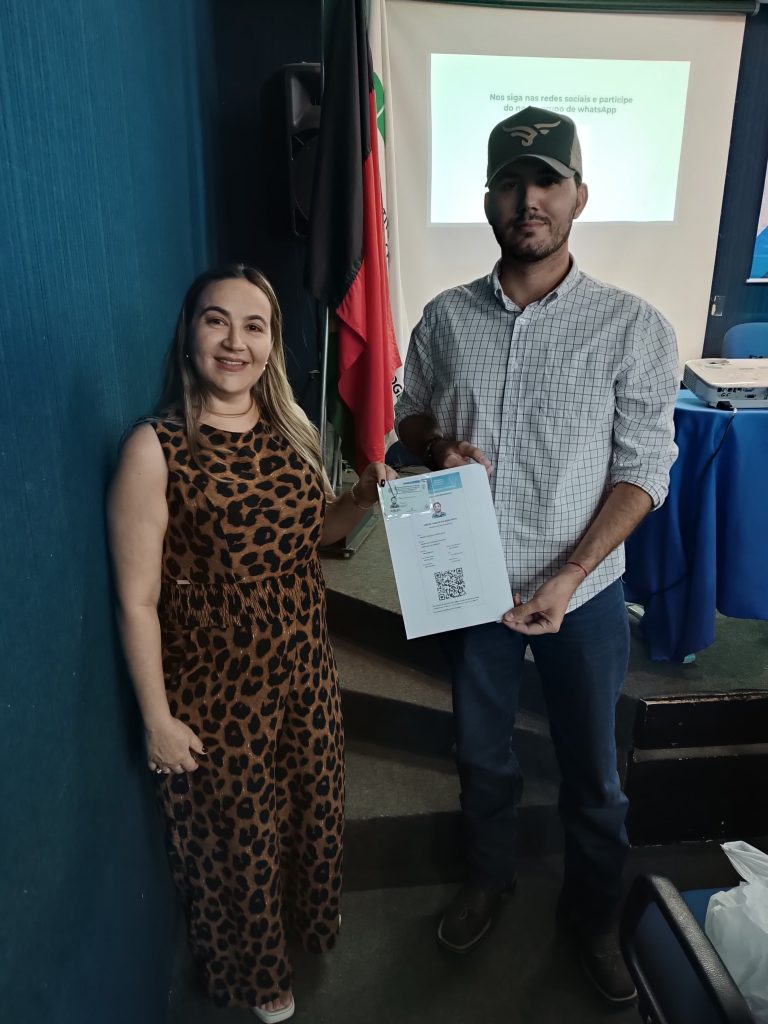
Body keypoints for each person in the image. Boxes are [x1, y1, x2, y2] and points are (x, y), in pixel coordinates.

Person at [395, 107, 679, 1005]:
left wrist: (569, 574)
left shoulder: (632, 327)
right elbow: (408, 414)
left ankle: (592, 917)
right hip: (470, 585)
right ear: (487, 199)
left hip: (582, 594)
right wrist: (437, 447)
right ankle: (489, 879)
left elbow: (643, 472)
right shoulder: (445, 319)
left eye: (548, 181)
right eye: (511, 183)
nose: (530, 200)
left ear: (579, 196)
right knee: (481, 756)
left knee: (593, 773)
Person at [107, 263, 395, 1022]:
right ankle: (260, 978)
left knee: (313, 813)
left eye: (254, 326)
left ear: (272, 344)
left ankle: (304, 927)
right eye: (217, 321)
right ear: (189, 333)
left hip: (305, 670)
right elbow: (137, 600)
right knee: (241, 844)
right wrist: (156, 718)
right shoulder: (155, 447)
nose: (235, 341)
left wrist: (360, 499)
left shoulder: (291, 430)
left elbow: (314, 533)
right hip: (217, 688)